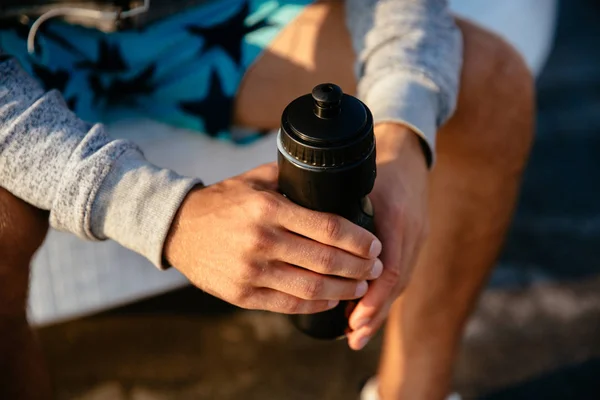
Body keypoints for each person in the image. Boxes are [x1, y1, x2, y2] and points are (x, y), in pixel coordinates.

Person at [0, 0, 540, 399]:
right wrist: (168, 216)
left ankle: (413, 392)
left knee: (489, 83)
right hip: (15, 42)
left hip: (205, 16)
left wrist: (404, 131)